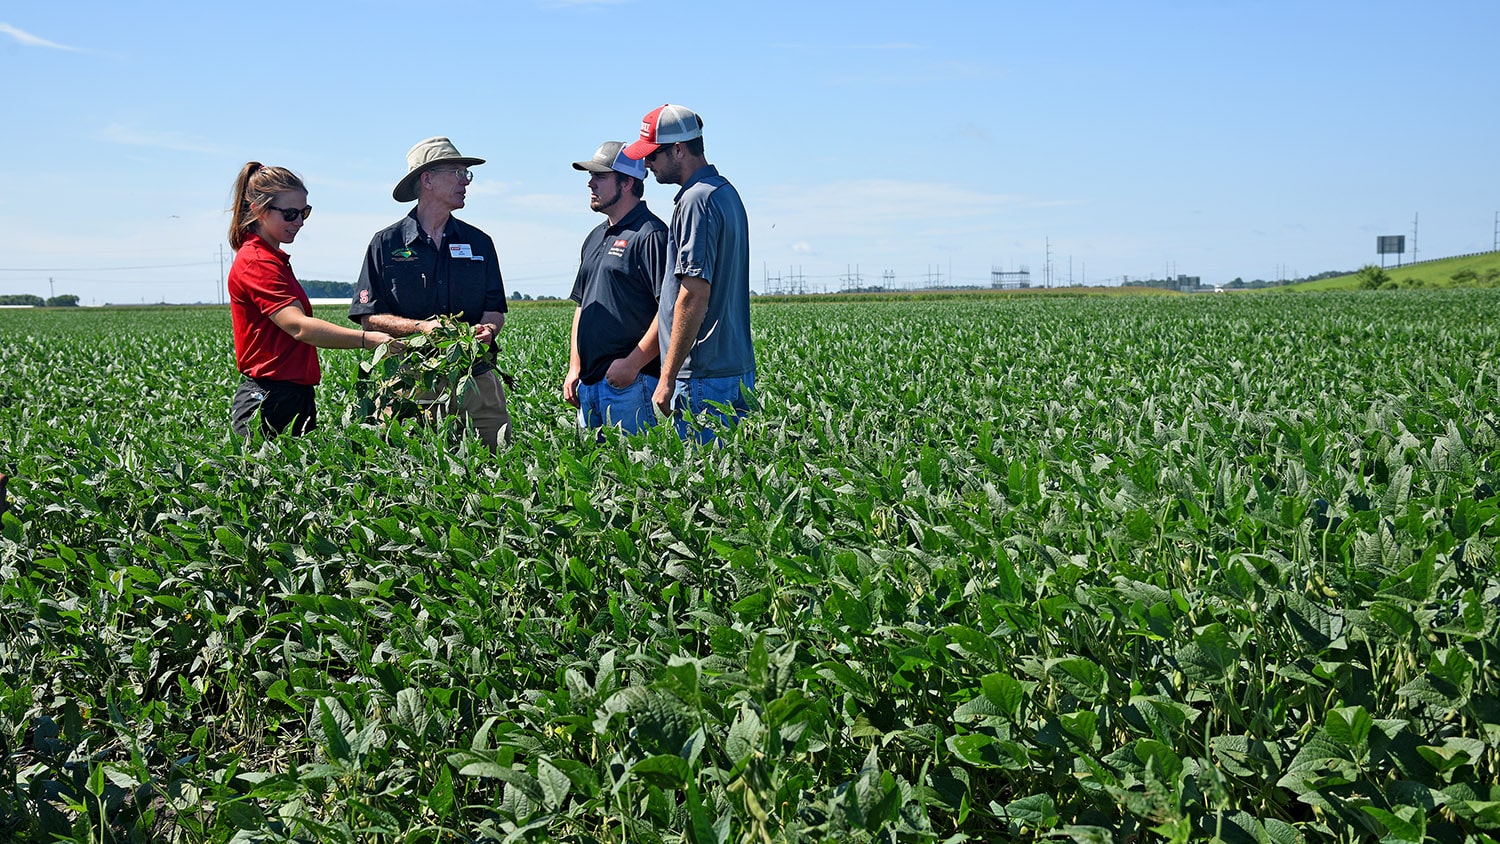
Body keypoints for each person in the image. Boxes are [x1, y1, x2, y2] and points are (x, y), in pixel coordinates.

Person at [349, 137, 511, 449]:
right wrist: (422, 328)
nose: (465, 182)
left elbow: (495, 308)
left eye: (467, 175)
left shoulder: (480, 243)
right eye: (457, 173)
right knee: (414, 474)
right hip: (412, 380)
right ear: (427, 179)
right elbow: (369, 319)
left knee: (497, 465)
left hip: (476, 378)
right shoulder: (386, 244)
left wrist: (489, 329)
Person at [227, 162, 396, 439]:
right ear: (258, 209)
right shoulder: (257, 262)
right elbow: (299, 327)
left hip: (289, 395)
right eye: (290, 214)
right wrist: (368, 339)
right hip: (269, 399)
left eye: (304, 212)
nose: (299, 222)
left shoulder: (272, 259)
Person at [622, 105, 756, 443]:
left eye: (652, 155)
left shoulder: (696, 201)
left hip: (702, 375)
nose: (646, 165)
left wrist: (667, 378)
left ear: (679, 149)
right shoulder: (724, 193)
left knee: (702, 486)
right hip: (731, 369)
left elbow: (694, 293)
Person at [563, 141, 668, 435]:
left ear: (627, 182)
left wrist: (632, 364)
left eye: (600, 176)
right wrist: (575, 368)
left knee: (634, 476)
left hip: (632, 385)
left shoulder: (651, 234)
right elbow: (582, 306)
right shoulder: (595, 236)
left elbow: (670, 311)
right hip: (589, 385)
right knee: (594, 479)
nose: (590, 183)